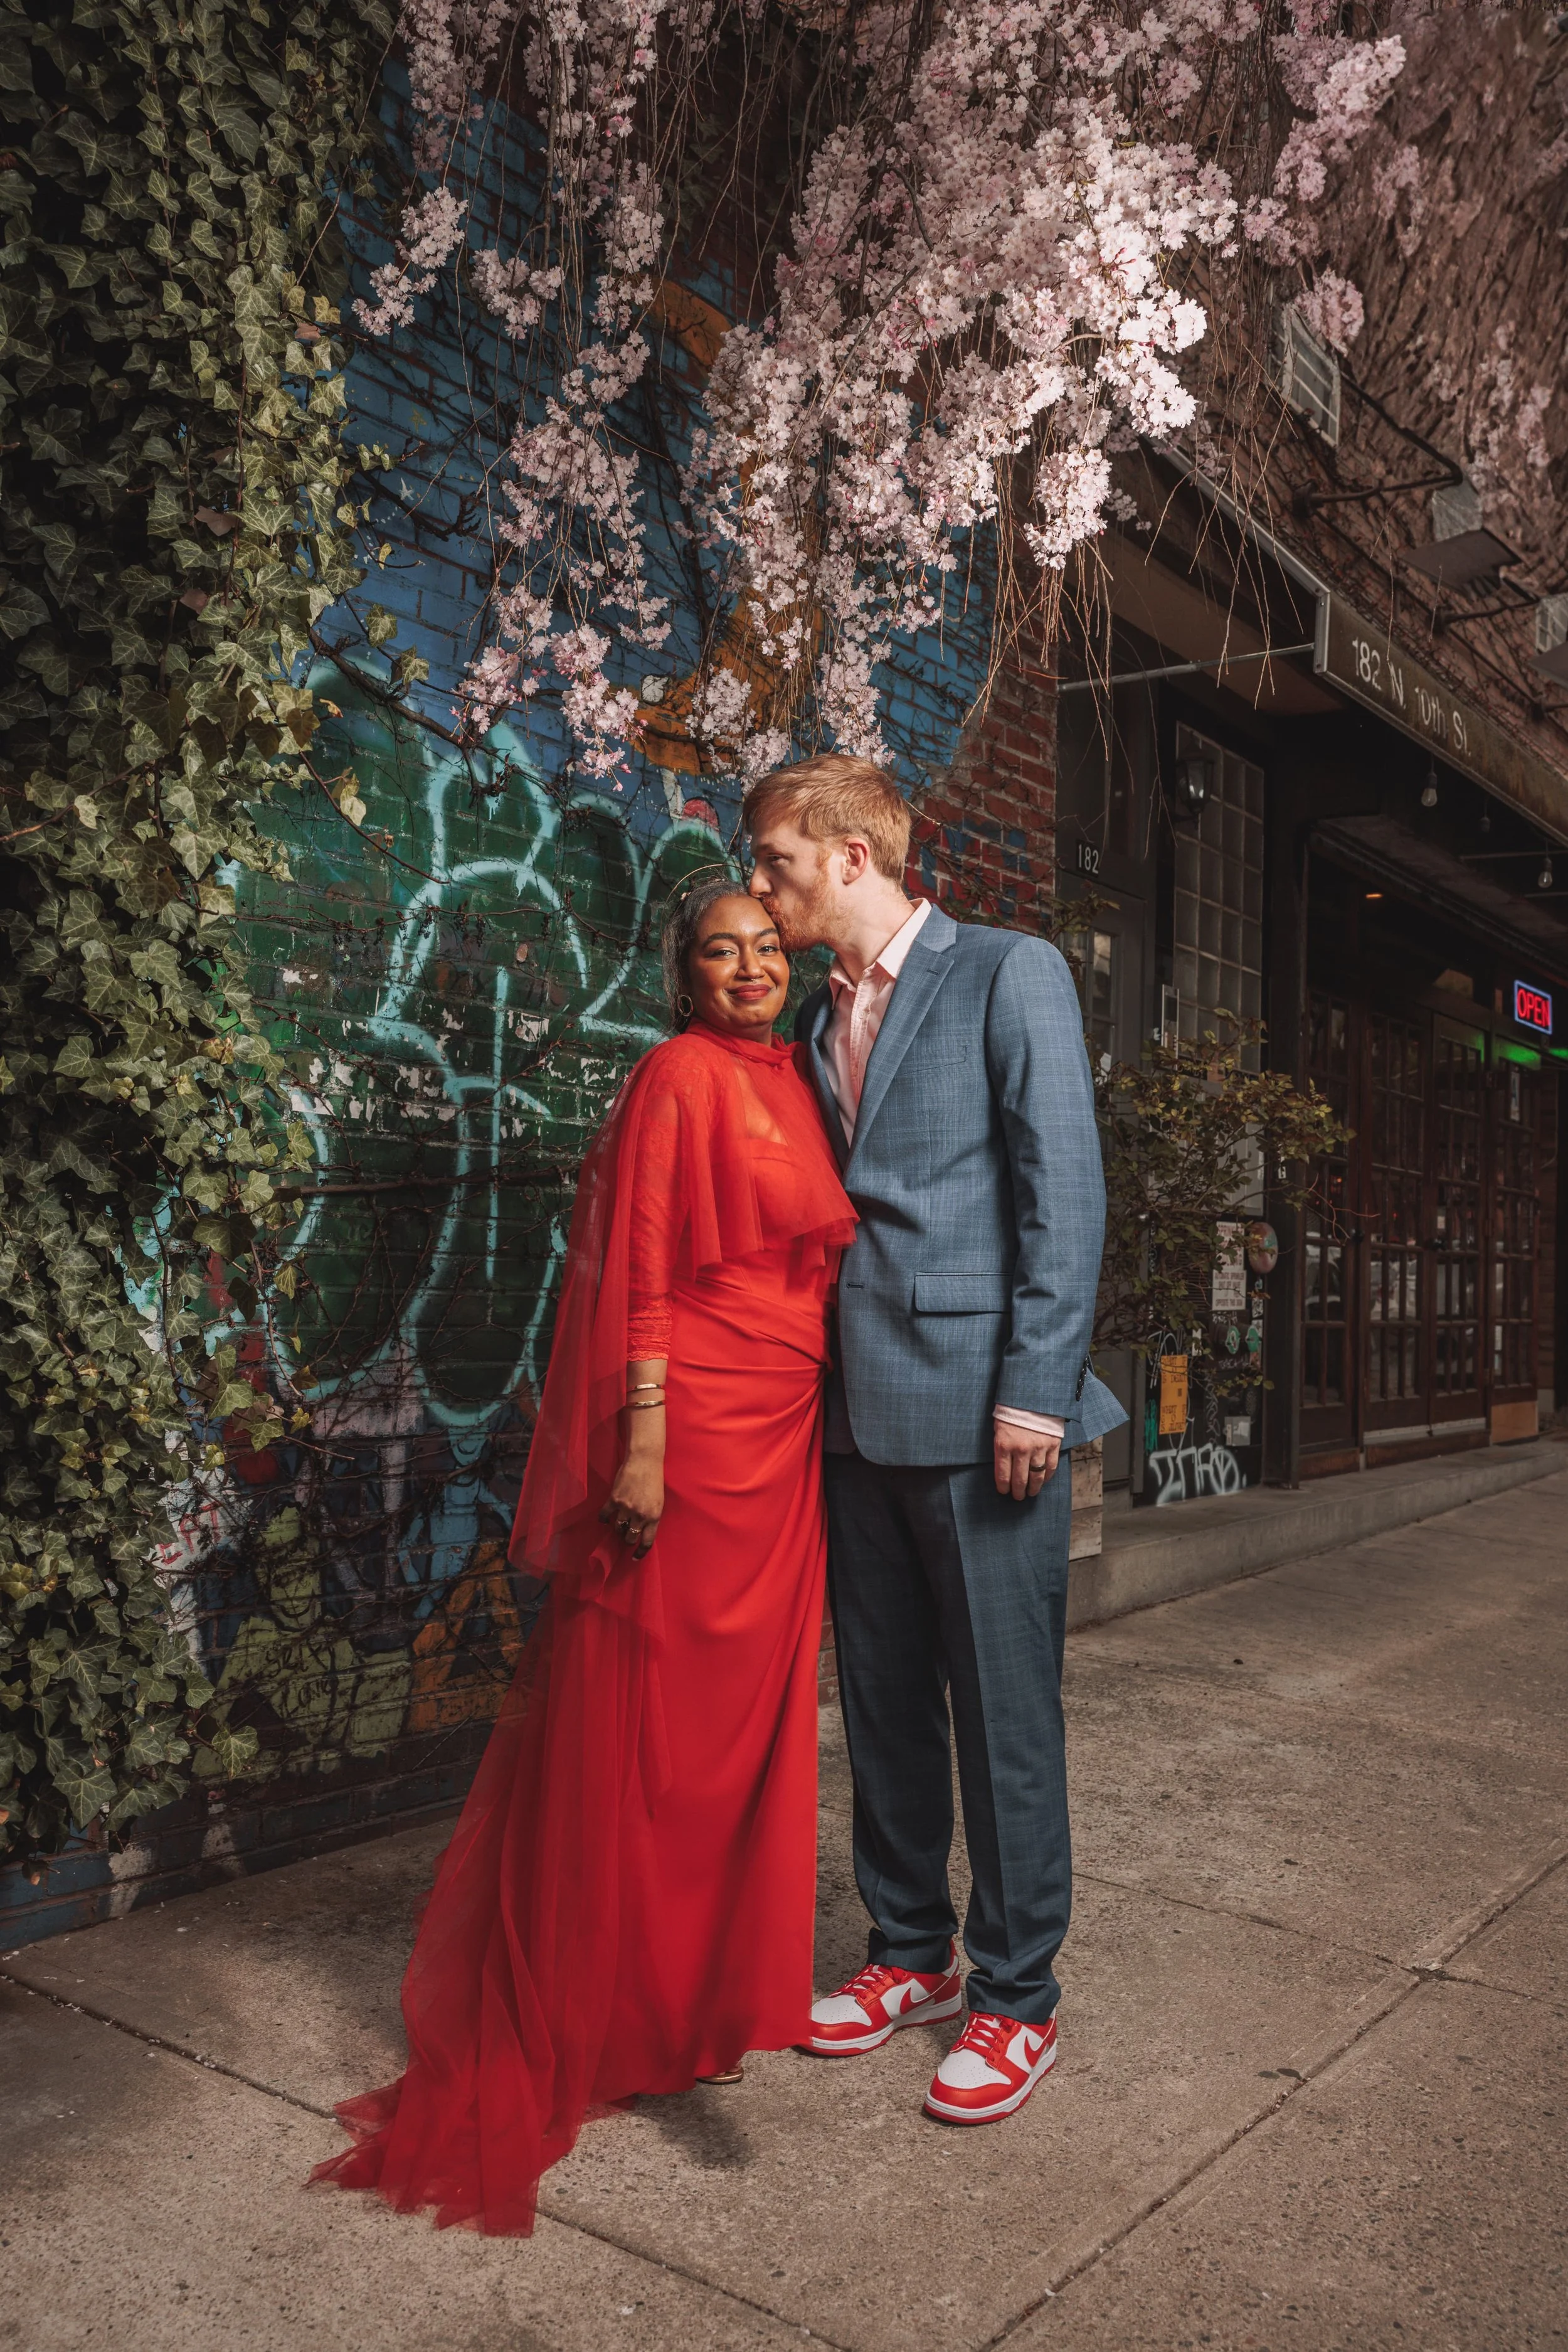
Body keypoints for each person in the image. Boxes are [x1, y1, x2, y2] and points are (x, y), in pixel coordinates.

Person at [310, 880, 856, 2233]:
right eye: (720, 950)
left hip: (784, 1442)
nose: (748, 966)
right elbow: (644, 1266)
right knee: (646, 1728)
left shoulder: (794, 1076)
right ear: (685, 971)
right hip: (695, 1434)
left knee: (739, 1738)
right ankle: (598, 2011)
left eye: (765, 947)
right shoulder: (676, 1074)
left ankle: (688, 2006)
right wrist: (644, 1439)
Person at [745, 753, 1126, 2127]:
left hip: (982, 1414)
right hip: (850, 1412)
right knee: (888, 1703)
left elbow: (1059, 1189)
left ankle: (1017, 1995)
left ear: (850, 854)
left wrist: (1035, 1387)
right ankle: (907, 1949)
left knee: (1002, 1712)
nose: (762, 885)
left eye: (777, 859)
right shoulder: (812, 1016)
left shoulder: (1005, 970)